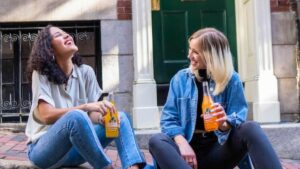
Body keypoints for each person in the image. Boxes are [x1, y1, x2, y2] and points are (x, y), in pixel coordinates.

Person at [148, 28, 282, 169]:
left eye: (195, 52)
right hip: (185, 157)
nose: (189, 55)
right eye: (190, 49)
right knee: (156, 140)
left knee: (251, 128)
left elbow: (238, 118)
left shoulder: (232, 79)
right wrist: (182, 144)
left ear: (211, 55)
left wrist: (223, 123)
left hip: (218, 151)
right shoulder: (180, 79)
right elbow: (168, 120)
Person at [25, 25, 149, 169]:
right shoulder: (41, 74)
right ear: (49, 49)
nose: (67, 36)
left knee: (121, 117)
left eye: (67, 33)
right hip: (44, 152)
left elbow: (91, 114)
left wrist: (101, 118)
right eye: (58, 35)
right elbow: (46, 115)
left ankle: (133, 167)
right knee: (76, 116)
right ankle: (105, 167)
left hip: (76, 151)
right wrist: (84, 107)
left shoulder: (86, 72)